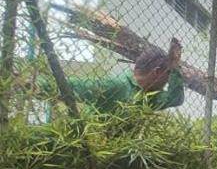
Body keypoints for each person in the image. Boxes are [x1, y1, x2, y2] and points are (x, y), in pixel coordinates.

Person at [52, 39, 184, 113]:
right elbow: (75, 86)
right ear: (157, 72)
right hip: (92, 149)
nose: (168, 80)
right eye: (168, 74)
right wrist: (37, 84)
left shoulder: (150, 97)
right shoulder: (118, 85)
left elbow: (175, 98)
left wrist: (175, 67)